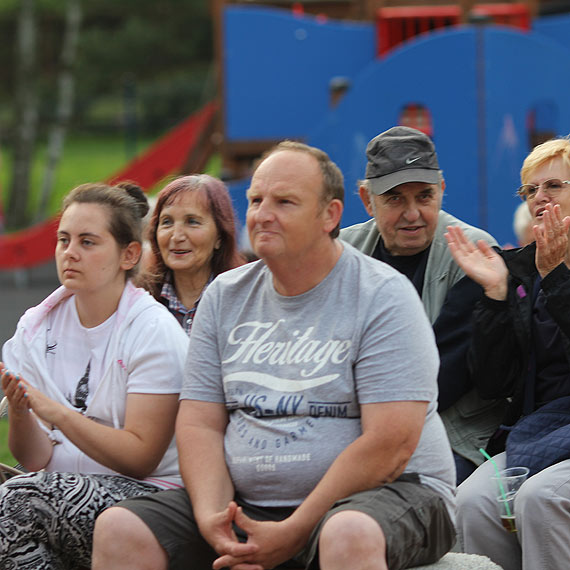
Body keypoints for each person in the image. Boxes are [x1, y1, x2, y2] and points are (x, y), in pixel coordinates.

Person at [92, 141, 456, 570]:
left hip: (393, 493)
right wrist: (214, 520)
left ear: (330, 216)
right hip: (251, 503)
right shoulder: (225, 296)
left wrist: (296, 528)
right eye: (255, 200)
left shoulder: (382, 296)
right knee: (120, 528)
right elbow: (199, 423)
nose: (263, 214)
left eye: (284, 202)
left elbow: (389, 445)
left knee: (347, 532)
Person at [0, 181, 189, 569]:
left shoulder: (152, 330)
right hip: (53, 489)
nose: (70, 253)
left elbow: (141, 458)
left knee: (20, 501)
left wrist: (57, 413)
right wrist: (21, 412)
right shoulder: (36, 327)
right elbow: (35, 459)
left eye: (88, 242)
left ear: (128, 254)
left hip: (150, 496)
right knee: (22, 498)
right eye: (63, 240)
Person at [341, 126, 505, 483]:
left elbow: (443, 380)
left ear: (442, 192)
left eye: (424, 196)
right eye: (395, 198)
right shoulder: (341, 253)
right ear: (367, 200)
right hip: (355, 426)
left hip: (452, 435)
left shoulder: (473, 252)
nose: (412, 213)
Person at [446, 137, 570, 570]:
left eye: (553, 186)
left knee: (542, 497)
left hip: (557, 438)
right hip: (540, 433)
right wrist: (496, 298)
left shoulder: (548, 271)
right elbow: (494, 383)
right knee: (470, 502)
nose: (539, 198)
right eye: (529, 191)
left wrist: (558, 281)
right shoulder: (517, 269)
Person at [137, 174, 245, 335]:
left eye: (192, 222)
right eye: (167, 222)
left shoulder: (243, 301)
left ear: (220, 237)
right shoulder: (140, 301)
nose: (176, 236)